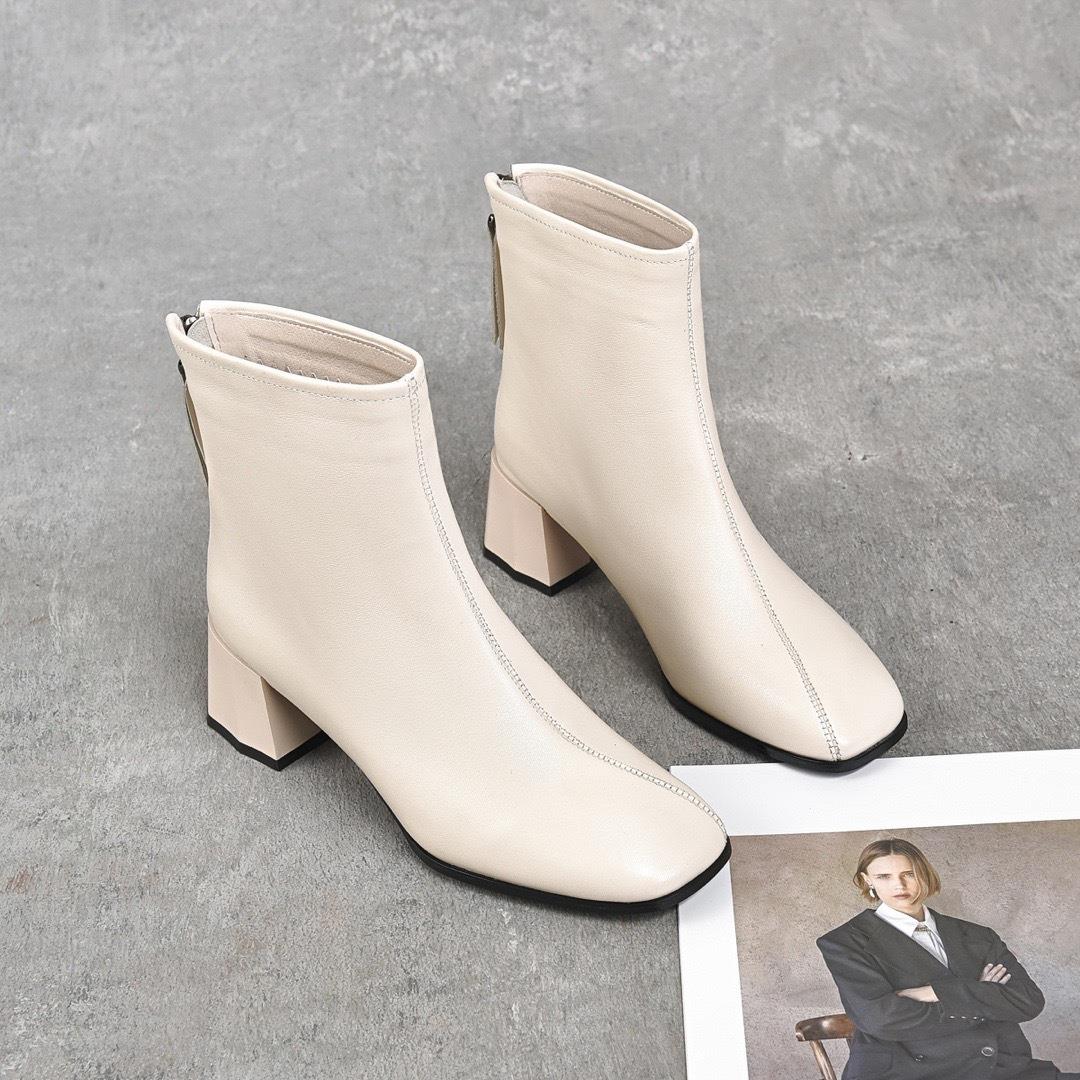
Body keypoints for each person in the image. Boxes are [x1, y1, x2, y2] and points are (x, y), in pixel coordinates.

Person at [817, 838, 1078, 1080]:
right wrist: (982, 993)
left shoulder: (977, 935)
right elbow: (882, 1019)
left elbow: (1029, 1001)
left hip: (1002, 1067)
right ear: (867, 880)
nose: (899, 885)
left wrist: (931, 992)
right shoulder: (844, 942)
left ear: (924, 873)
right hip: (911, 1072)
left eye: (909, 874)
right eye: (884, 876)